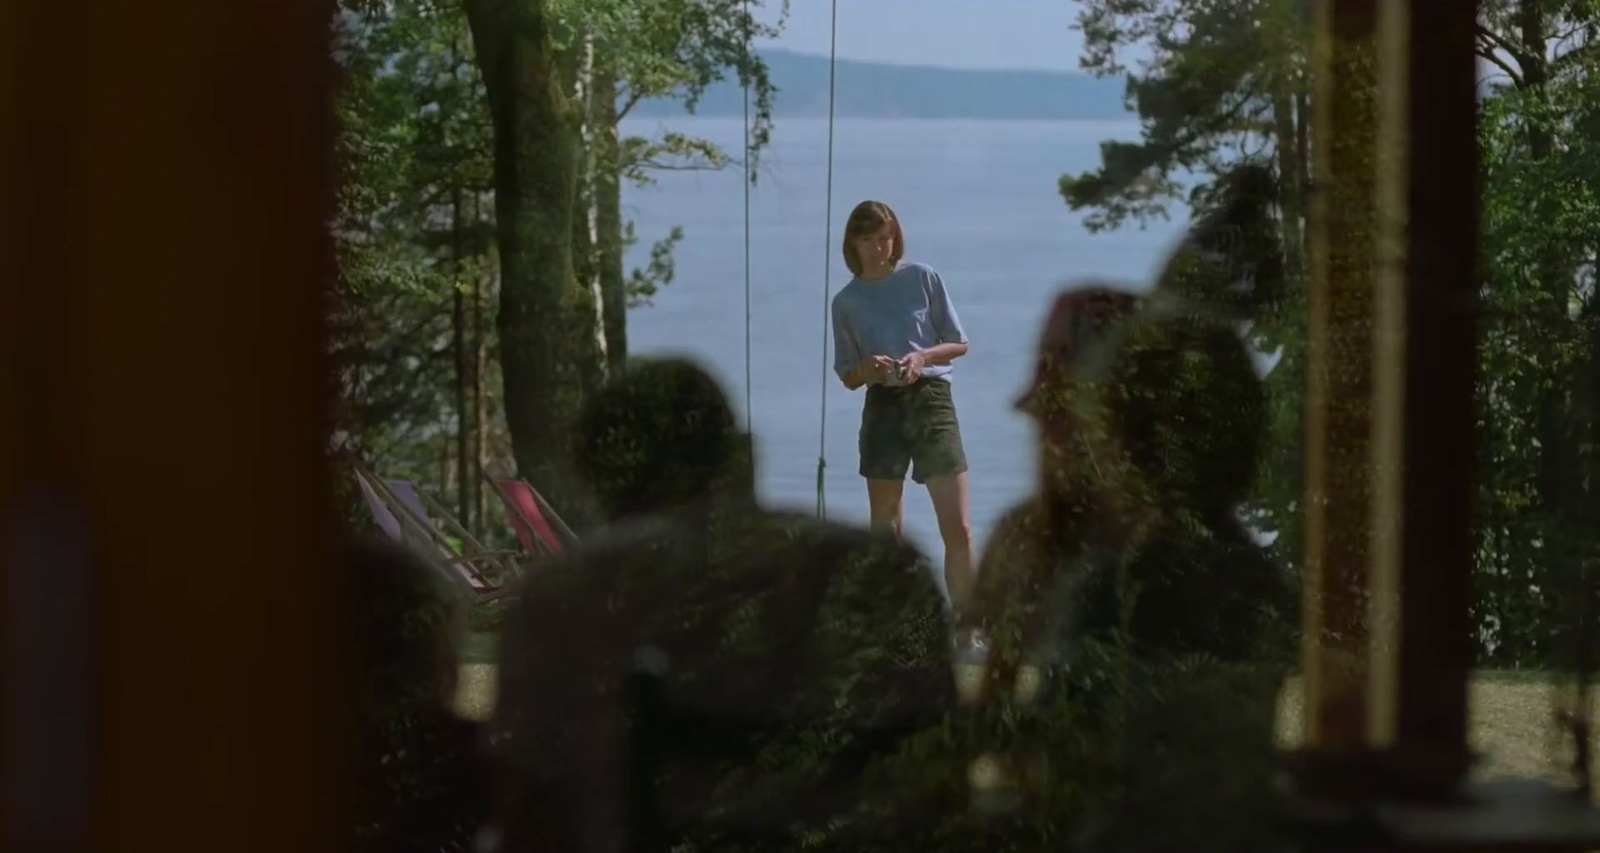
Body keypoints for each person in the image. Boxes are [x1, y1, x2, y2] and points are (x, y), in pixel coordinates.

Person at [488, 357, 952, 853]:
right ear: (745, 456)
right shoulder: (882, 572)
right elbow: (941, 778)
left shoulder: (564, 600)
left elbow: (526, 812)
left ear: (596, 484)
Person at [830, 199, 975, 612]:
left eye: (885, 238)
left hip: (931, 400)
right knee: (885, 529)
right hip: (883, 404)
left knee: (959, 527)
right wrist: (869, 367)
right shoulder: (846, 302)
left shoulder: (923, 278)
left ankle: (968, 625)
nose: (880, 248)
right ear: (853, 244)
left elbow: (959, 343)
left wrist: (921, 358)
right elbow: (847, 377)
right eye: (869, 240)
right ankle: (890, 624)